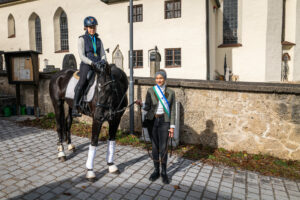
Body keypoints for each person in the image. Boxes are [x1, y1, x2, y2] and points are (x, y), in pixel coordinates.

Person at [136, 70, 176, 184]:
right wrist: (141, 104)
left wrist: (172, 127)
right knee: (154, 147)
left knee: (163, 147)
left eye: (161, 78)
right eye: (157, 78)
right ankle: (156, 170)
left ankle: (164, 172)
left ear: (165, 79)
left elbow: (172, 110)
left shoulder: (171, 92)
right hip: (152, 121)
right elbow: (148, 106)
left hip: (164, 121)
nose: (159, 80)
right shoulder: (151, 91)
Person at [72, 16, 107, 117]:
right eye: (90, 27)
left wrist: (103, 60)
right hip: (87, 65)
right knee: (83, 81)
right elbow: (82, 55)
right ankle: (75, 107)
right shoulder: (82, 39)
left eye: (94, 27)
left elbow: (103, 53)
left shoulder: (99, 40)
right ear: (86, 28)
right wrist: (91, 63)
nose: (92, 29)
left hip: (99, 64)